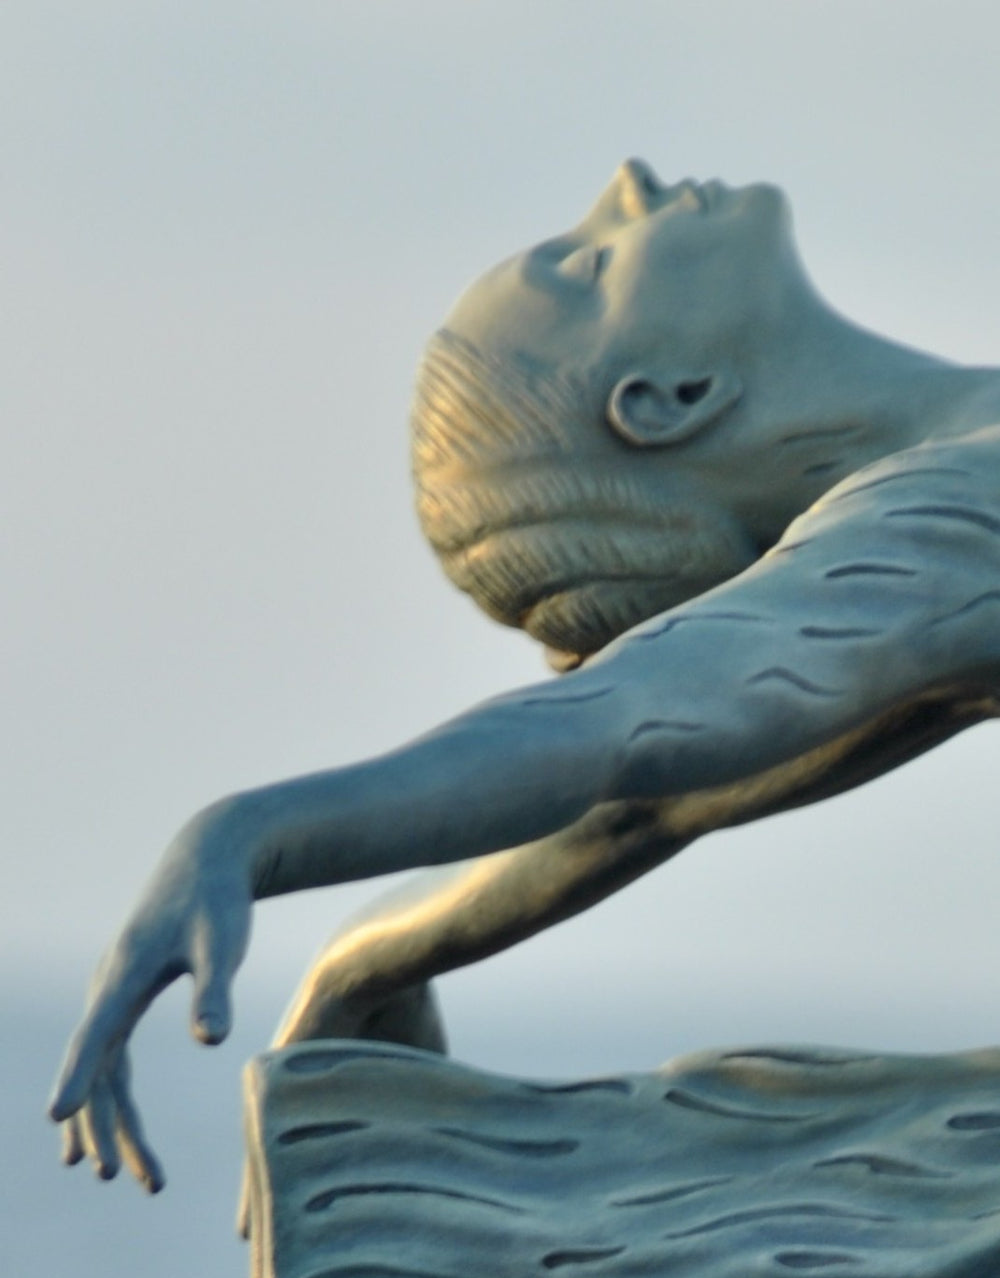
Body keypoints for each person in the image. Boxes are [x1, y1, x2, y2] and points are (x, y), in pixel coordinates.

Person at [50, 159, 1000, 1193]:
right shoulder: (952, 510)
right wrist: (243, 836)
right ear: (673, 395)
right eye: (591, 266)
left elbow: (642, 787)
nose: (625, 182)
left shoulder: (936, 544)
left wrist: (363, 955)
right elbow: (624, 734)